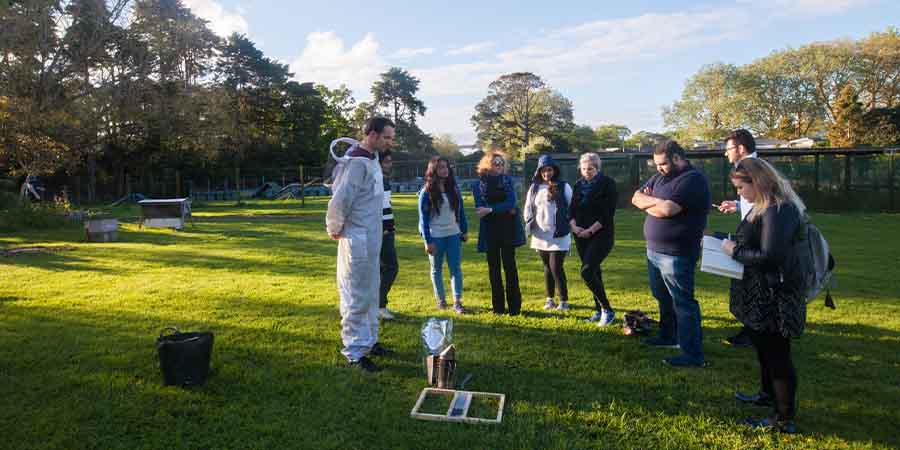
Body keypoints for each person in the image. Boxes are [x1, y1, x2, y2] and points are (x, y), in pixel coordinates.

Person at [721, 158, 807, 434]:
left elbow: (771, 256)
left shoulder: (777, 210)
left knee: (777, 355)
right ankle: (767, 394)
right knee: (764, 351)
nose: (739, 193)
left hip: (774, 296)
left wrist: (733, 251)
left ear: (756, 182)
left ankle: (783, 418)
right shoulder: (765, 207)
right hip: (760, 293)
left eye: (740, 187)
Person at [631, 140, 711, 367]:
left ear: (677, 158)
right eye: (656, 164)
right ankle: (668, 336)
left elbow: (668, 210)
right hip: (654, 250)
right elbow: (636, 197)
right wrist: (658, 203)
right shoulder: (659, 177)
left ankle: (692, 353)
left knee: (683, 302)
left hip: (678, 253)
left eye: (663, 163)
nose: (658, 168)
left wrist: (654, 204)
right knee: (662, 296)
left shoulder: (693, 180)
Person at [325, 117, 395, 372]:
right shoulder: (355, 163)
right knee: (356, 294)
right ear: (373, 135)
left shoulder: (371, 159)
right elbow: (341, 198)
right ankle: (355, 351)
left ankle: (369, 341)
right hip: (357, 238)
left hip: (372, 236)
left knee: (372, 291)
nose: (390, 142)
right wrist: (334, 226)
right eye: (387, 137)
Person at [719, 129, 759, 347]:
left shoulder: (751, 168)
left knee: (749, 284)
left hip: (756, 233)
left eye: (728, 149)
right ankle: (751, 329)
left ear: (740, 149)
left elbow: (763, 201)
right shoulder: (751, 167)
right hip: (752, 230)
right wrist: (736, 205)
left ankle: (753, 331)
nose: (726, 154)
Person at [568, 153, 618, 325]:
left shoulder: (607, 184)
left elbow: (607, 214)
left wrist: (590, 231)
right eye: (583, 169)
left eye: (590, 168)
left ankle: (607, 310)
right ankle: (598, 310)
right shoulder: (578, 185)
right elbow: (572, 210)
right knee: (594, 272)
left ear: (597, 168)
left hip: (601, 235)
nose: (586, 172)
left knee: (587, 271)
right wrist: (574, 227)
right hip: (580, 235)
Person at [473, 152, 526, 316]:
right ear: (488, 164)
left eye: (502, 164)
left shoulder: (507, 180)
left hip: (508, 229)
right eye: (496, 163)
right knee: (493, 268)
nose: (499, 166)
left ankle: (515, 307)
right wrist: (501, 209)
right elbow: (479, 207)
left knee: (510, 267)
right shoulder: (478, 184)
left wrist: (491, 209)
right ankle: (498, 308)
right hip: (490, 230)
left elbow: (512, 202)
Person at [418, 156, 469, 313]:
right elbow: (423, 219)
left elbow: (461, 212)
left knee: (456, 269)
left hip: (453, 234)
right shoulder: (426, 192)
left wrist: (464, 230)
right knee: (436, 270)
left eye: (446, 167)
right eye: (440, 167)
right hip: (436, 236)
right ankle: (441, 300)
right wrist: (427, 241)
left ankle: (457, 301)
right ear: (433, 170)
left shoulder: (454, 188)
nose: (445, 170)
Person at [523, 155, 573, 311]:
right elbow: (528, 208)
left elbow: (571, 208)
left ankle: (563, 301)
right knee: (546, 267)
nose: (546, 173)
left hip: (559, 234)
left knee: (556, 267)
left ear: (554, 170)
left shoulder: (564, 186)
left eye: (549, 170)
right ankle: (549, 299)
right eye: (543, 171)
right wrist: (529, 224)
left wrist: (569, 225)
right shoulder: (534, 188)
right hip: (540, 234)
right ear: (539, 172)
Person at [378, 150, 398, 320]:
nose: (389, 165)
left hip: (385, 229)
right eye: (386, 162)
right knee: (391, 267)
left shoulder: (384, 180)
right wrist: (386, 228)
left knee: (381, 269)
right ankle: (380, 305)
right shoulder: (379, 181)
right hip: (382, 230)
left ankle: (377, 305)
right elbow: (379, 208)